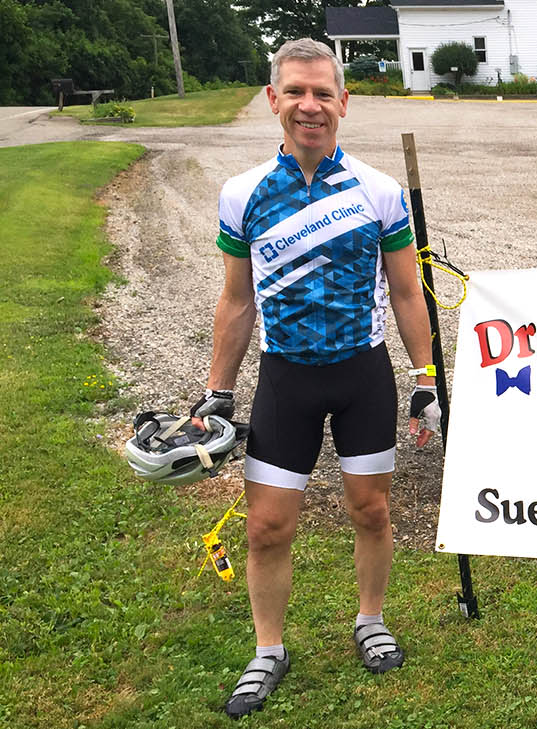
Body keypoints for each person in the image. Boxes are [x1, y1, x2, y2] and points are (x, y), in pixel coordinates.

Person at [189, 38, 443, 719]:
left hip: (362, 373)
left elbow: (407, 292)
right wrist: (218, 388)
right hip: (286, 380)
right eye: (295, 92)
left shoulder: (379, 191)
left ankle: (370, 618)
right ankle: (268, 648)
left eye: (322, 93)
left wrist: (426, 378)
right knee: (267, 526)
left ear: (342, 103)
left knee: (373, 510)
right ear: (273, 100)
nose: (310, 106)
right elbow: (237, 300)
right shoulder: (240, 194)